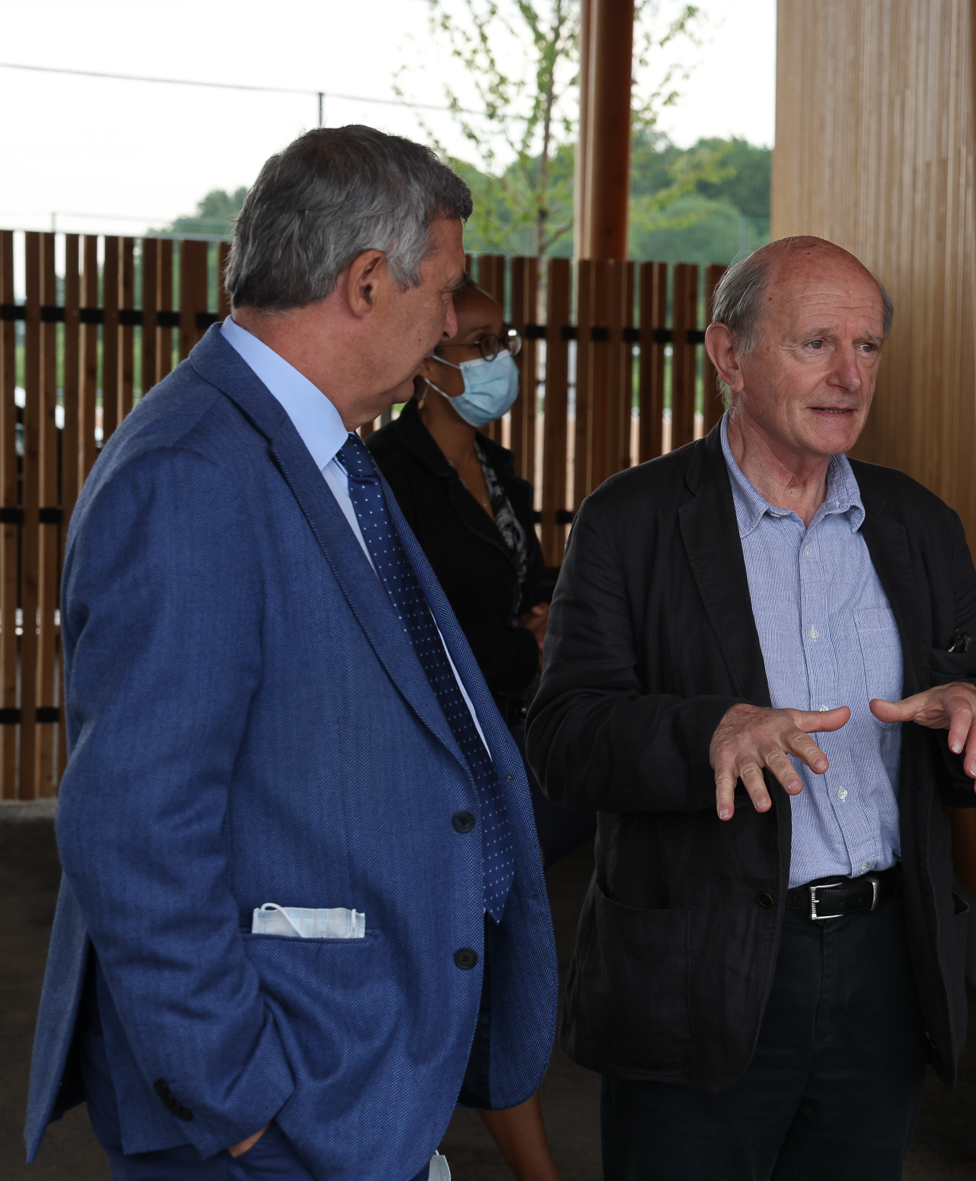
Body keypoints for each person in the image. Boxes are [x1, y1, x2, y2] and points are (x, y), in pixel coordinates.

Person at [23, 125, 558, 1181]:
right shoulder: (195, 470)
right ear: (366, 281)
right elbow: (136, 829)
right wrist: (242, 1102)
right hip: (275, 1106)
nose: (456, 325)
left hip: (349, 1073)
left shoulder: (315, 449)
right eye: (443, 290)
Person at [527, 235, 976, 1180]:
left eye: (867, 347)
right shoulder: (630, 521)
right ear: (727, 354)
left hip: (882, 964)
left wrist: (974, 710)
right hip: (699, 964)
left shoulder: (920, 525)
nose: (848, 375)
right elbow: (560, 738)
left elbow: (971, 713)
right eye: (815, 344)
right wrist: (707, 726)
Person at [368, 282, 596, 1181]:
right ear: (427, 361)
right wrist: (524, 635)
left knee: (491, 942)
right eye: (479, 341)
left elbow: (525, 587)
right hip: (441, 756)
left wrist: (539, 619)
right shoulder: (387, 474)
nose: (502, 358)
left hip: (512, 731)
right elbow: (416, 624)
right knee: (470, 949)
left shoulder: (502, 472)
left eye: (506, 337)